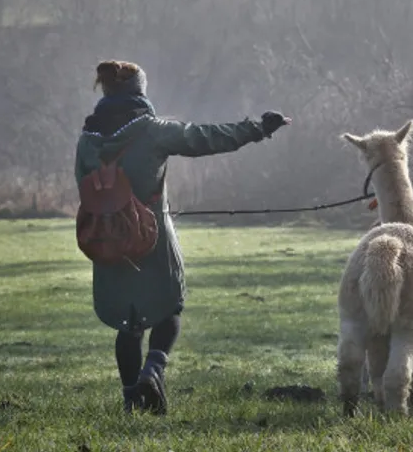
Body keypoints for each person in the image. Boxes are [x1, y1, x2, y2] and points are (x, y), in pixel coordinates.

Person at [74, 60, 291, 415]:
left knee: (128, 323)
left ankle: (132, 401)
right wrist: (258, 128)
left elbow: (84, 186)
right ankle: (152, 371)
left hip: (105, 239)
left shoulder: (87, 139)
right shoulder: (152, 130)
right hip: (151, 236)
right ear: (139, 92)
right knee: (169, 307)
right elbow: (206, 138)